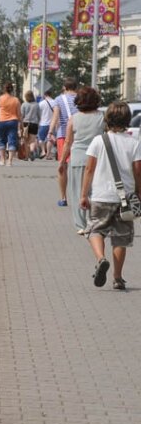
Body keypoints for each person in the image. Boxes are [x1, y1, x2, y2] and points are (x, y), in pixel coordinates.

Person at [80, 101, 141, 290]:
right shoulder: (134, 142)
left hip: (100, 195)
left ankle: (100, 258)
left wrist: (83, 194)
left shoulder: (99, 141)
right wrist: (139, 192)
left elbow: (89, 169)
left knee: (95, 230)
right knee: (121, 238)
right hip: (125, 198)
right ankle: (117, 277)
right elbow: (138, 171)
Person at [59, 86, 105, 235]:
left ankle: (81, 225)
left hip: (78, 158)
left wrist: (62, 161)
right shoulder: (102, 117)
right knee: (95, 191)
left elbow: (67, 142)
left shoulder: (74, 118)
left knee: (77, 191)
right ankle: (95, 221)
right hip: (98, 158)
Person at [49, 77, 79, 206]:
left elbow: (55, 117)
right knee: (78, 166)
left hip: (63, 135)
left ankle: (63, 198)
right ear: (75, 87)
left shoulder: (59, 99)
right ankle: (79, 196)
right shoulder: (81, 99)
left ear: (64, 87)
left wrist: (50, 132)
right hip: (79, 134)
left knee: (62, 166)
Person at [0, 83, 21, 166]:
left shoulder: (1, 98)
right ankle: (10, 161)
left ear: (4, 89)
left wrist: (2, 97)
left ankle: (2, 160)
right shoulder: (16, 100)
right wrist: (21, 125)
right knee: (12, 140)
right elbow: (19, 114)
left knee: (2, 140)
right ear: (12, 90)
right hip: (13, 121)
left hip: (1, 121)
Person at [20, 90, 41, 161]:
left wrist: (20, 125)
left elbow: (22, 116)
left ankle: (26, 156)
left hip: (25, 123)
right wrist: (38, 123)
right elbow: (39, 116)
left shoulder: (24, 104)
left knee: (26, 141)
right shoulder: (36, 105)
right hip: (34, 124)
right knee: (32, 141)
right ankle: (32, 151)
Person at [38, 89, 56, 159]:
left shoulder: (41, 103)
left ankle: (43, 151)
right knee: (50, 139)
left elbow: (38, 114)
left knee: (41, 139)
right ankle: (48, 154)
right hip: (52, 124)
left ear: (45, 95)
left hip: (43, 123)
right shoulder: (54, 102)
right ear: (51, 95)